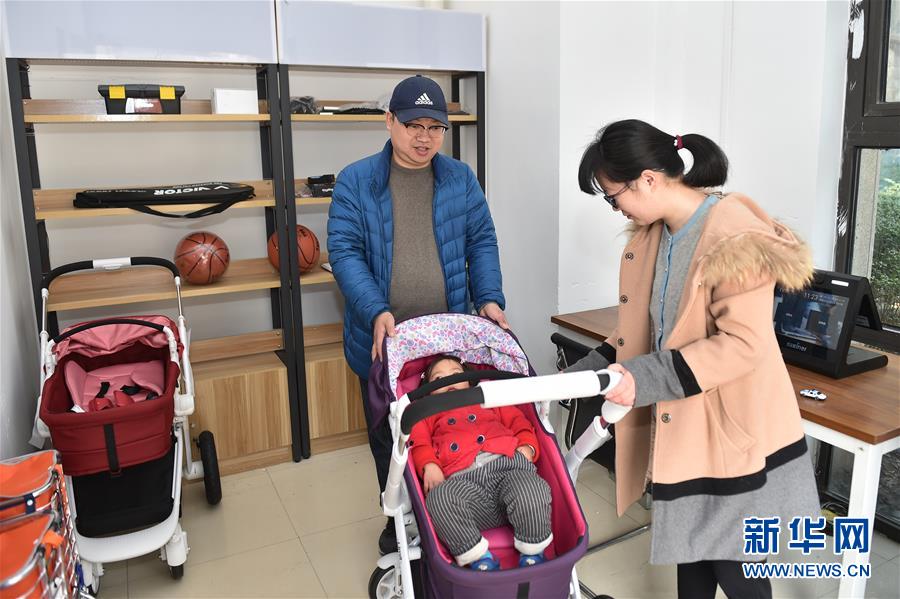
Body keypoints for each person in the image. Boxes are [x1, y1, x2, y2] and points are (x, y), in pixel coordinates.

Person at [567, 119, 819, 598]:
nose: (615, 208)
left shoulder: (734, 236)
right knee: (692, 555)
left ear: (647, 179)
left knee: (735, 568)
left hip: (730, 428)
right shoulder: (656, 235)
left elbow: (743, 344)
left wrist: (641, 377)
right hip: (686, 423)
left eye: (612, 196)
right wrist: (575, 376)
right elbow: (645, 330)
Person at [327, 75, 508, 555]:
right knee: (389, 438)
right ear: (390, 121)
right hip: (385, 342)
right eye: (413, 125)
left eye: (435, 127)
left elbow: (481, 241)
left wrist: (489, 298)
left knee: (449, 426)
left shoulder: (460, 179)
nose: (424, 137)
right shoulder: (356, 180)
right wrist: (375, 309)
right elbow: (344, 251)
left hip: (446, 341)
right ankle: (397, 520)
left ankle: (452, 515)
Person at [410, 355, 552, 570]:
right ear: (428, 391)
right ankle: (479, 558)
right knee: (438, 499)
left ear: (469, 380)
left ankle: (533, 552)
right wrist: (430, 465)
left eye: (456, 375)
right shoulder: (427, 411)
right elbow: (419, 442)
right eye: (438, 379)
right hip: (462, 484)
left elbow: (519, 422)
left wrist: (527, 448)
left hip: (507, 468)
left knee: (531, 489)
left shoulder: (488, 397)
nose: (448, 381)